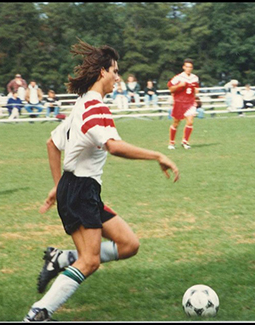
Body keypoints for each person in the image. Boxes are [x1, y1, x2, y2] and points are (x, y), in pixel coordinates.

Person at [23, 39, 179, 322]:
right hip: (81, 191)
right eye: (115, 71)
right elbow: (114, 146)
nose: (118, 77)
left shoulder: (82, 104)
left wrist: (59, 185)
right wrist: (157, 155)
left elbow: (51, 143)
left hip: (81, 190)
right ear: (102, 73)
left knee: (129, 244)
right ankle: (39, 313)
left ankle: (60, 259)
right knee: (90, 261)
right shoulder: (95, 107)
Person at [167, 59, 199, 150]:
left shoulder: (195, 78)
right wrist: (179, 86)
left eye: (190, 67)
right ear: (183, 67)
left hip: (190, 102)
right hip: (179, 102)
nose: (188, 69)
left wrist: (196, 92)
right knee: (176, 123)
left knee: (190, 121)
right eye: (187, 67)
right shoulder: (178, 77)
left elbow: (196, 89)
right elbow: (171, 89)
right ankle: (171, 142)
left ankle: (185, 142)